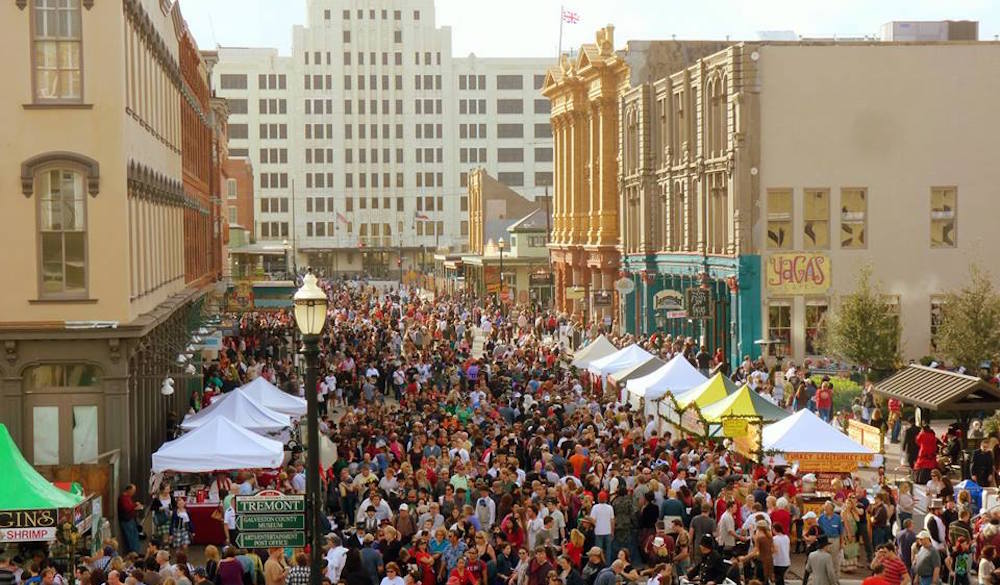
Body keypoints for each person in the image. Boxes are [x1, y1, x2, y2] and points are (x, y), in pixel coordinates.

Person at [118, 485, 144, 555]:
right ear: (128, 490)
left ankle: (137, 552)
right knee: (131, 538)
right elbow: (126, 508)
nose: (134, 493)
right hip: (126, 520)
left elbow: (130, 506)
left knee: (135, 536)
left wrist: (135, 504)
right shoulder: (123, 498)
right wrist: (135, 507)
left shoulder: (128, 498)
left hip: (131, 519)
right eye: (133, 491)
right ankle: (134, 553)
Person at [588, 493, 614, 562]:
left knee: (598, 551)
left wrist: (596, 524)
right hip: (608, 531)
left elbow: (592, 519)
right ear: (606, 499)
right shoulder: (610, 507)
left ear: (598, 498)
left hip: (598, 532)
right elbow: (612, 520)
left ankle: (599, 564)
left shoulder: (595, 507)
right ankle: (608, 564)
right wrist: (612, 531)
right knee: (608, 550)